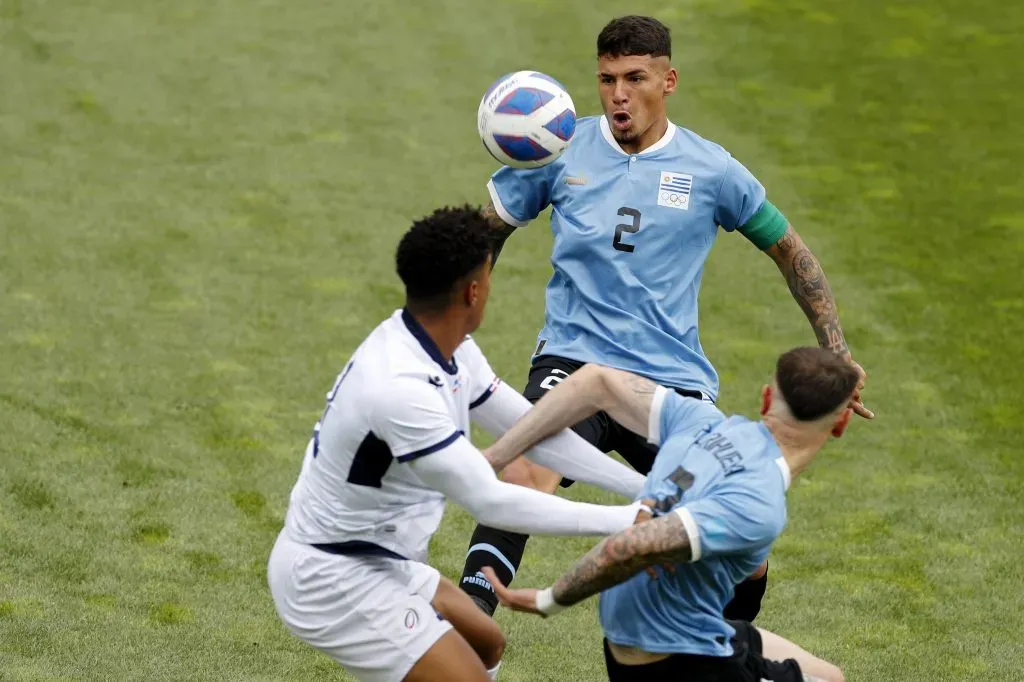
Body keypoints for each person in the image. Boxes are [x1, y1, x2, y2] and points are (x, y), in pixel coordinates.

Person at [460, 14, 871, 622]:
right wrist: (458, 319)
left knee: (735, 508)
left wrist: (834, 348)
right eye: (606, 80)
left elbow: (791, 252)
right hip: (572, 361)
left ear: (668, 79)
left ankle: (731, 641)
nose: (619, 94)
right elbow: (485, 234)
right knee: (524, 471)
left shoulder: (711, 170)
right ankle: (471, 626)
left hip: (673, 381)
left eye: (635, 78)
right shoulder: (560, 147)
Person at [266, 206, 652, 682]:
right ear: (473, 291)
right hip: (332, 576)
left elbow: (532, 431)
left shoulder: (445, 345)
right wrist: (630, 522)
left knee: (487, 643)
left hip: (385, 560)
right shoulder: (400, 389)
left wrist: (643, 488)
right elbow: (491, 502)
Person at [478, 348, 856, 681]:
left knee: (831, 677)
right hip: (677, 663)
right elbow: (627, 549)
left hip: (639, 641)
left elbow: (594, 381)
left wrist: (495, 456)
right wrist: (549, 600)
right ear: (840, 424)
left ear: (766, 397)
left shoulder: (700, 421)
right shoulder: (759, 503)